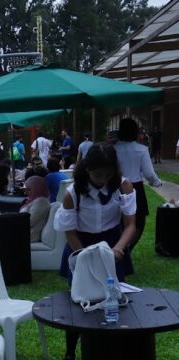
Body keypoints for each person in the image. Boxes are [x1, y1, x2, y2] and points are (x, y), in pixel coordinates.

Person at [54, 144, 136, 360]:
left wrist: (119, 247)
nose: (103, 179)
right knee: (80, 300)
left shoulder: (123, 186)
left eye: (108, 174)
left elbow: (130, 225)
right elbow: (69, 232)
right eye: (98, 174)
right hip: (81, 244)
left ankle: (115, 348)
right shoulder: (73, 193)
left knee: (115, 297)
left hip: (112, 244)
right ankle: (71, 351)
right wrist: (85, 256)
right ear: (87, 169)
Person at [114, 118, 162, 252]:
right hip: (135, 188)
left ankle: (117, 249)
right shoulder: (141, 149)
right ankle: (126, 250)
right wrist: (156, 182)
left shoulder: (113, 149)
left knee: (116, 221)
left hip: (115, 187)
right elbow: (149, 174)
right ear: (135, 132)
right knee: (138, 222)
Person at [20, 176, 51, 243]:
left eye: (29, 190)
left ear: (37, 189)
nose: (25, 193)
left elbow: (29, 222)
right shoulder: (35, 201)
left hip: (29, 236)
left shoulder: (41, 202)